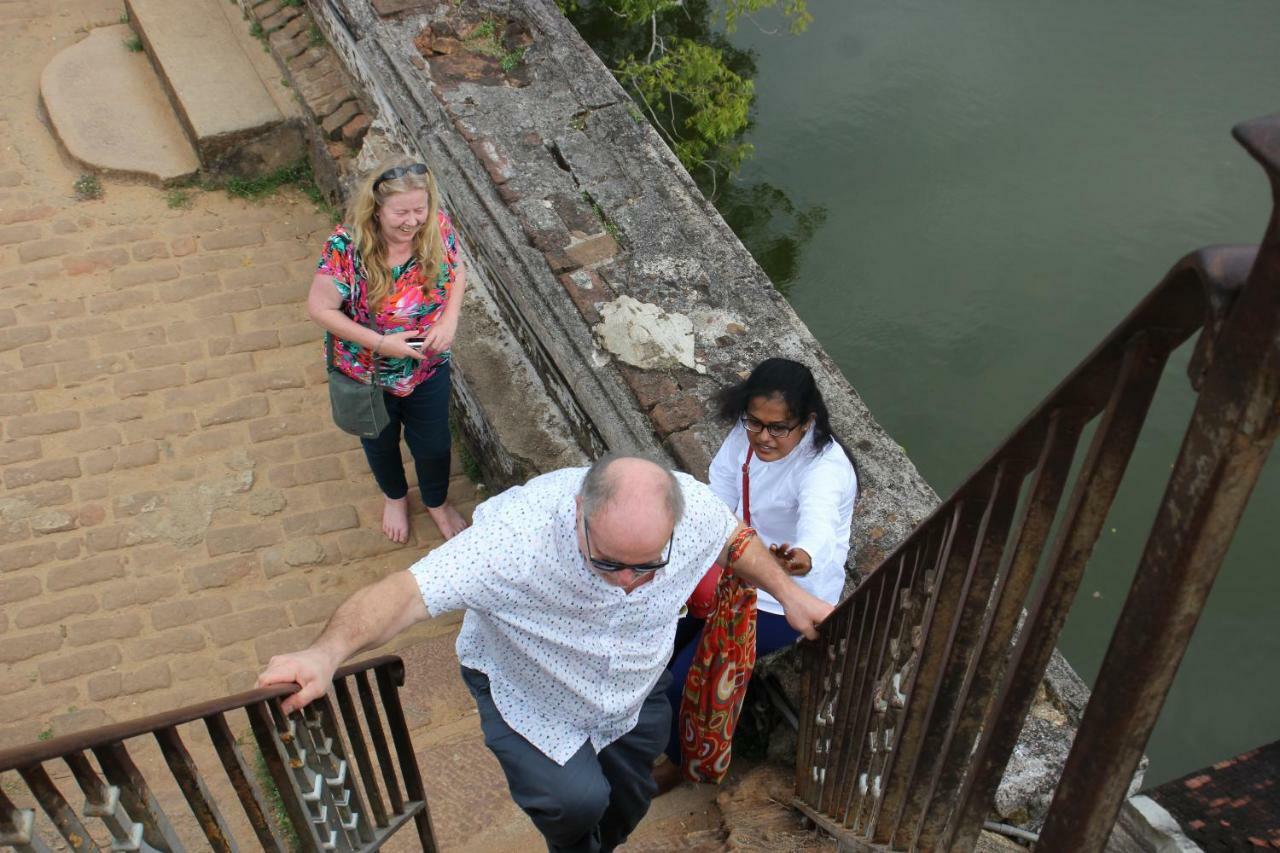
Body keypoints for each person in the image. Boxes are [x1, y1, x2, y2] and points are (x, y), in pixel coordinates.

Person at [257, 455, 833, 853]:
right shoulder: (513, 540)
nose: (630, 582)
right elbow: (403, 594)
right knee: (574, 803)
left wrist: (790, 594)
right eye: (608, 563)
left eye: (647, 566)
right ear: (580, 510)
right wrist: (325, 653)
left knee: (625, 802)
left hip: (632, 691)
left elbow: (733, 539)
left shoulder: (691, 511)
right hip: (532, 691)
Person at [655, 357, 858, 793]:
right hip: (733, 566)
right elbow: (718, 499)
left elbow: (818, 526)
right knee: (658, 637)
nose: (764, 437)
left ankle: (678, 759)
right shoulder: (744, 437)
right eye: (755, 423)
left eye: (778, 428)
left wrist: (800, 556)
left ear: (807, 422)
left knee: (687, 678)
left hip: (781, 598)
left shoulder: (825, 469)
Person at [307, 155, 469, 543]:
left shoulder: (436, 227)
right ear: (376, 209)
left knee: (434, 445)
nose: (412, 221)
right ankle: (395, 497)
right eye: (401, 212)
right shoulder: (346, 247)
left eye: (419, 209)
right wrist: (382, 343)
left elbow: (458, 269)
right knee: (379, 441)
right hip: (367, 373)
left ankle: (436, 501)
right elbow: (319, 307)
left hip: (427, 366)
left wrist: (449, 321)